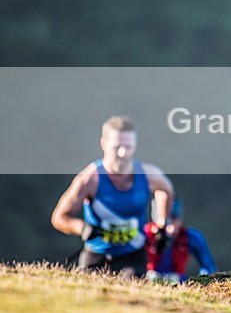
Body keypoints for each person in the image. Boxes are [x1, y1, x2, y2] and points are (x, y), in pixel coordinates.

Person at [51, 116, 174, 279]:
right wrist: (82, 228)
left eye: (128, 147)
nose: (123, 153)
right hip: (96, 255)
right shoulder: (90, 179)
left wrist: (162, 223)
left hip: (133, 257)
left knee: (131, 294)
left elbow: (166, 190)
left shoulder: (148, 175)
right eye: (117, 147)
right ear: (103, 144)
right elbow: (59, 218)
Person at [144, 198, 217, 283]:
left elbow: (209, 268)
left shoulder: (190, 238)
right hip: (147, 284)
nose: (170, 228)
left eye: (174, 219)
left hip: (179, 284)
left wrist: (204, 284)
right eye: (166, 221)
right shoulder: (144, 235)